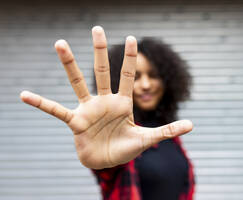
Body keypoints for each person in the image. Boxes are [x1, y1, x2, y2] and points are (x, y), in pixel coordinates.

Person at [20, 26, 195, 200]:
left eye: (153, 75)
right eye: (136, 76)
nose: (146, 84)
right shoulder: (118, 134)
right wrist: (102, 159)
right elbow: (109, 169)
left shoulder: (169, 134)